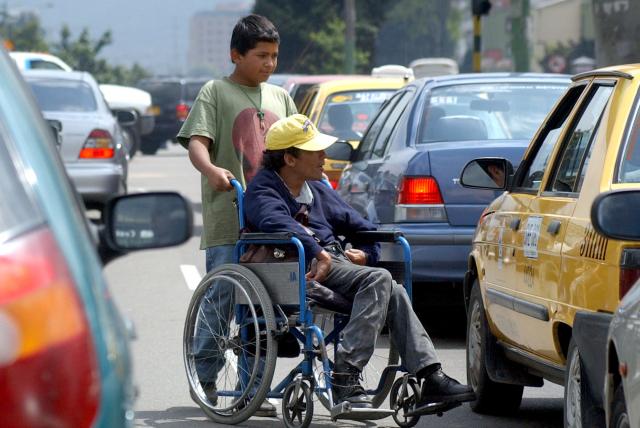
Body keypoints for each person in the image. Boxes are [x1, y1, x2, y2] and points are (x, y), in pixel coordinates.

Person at [243, 114, 475, 410]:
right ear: (289, 158)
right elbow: (275, 221)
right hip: (295, 267)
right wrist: (319, 252)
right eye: (315, 151)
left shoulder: (317, 189)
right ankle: (345, 376)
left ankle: (430, 376)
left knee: (393, 289)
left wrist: (368, 253)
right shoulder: (262, 189)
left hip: (331, 263)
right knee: (381, 280)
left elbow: (359, 225)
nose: (324, 157)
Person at [176, 14, 297, 417]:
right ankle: (206, 380)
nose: (269, 64)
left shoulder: (280, 97)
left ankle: (252, 389)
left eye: (274, 56)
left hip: (273, 223)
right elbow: (197, 142)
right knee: (222, 303)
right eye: (261, 55)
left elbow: (301, 145)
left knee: (263, 312)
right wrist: (211, 171)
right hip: (230, 219)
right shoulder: (216, 91)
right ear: (236, 55)